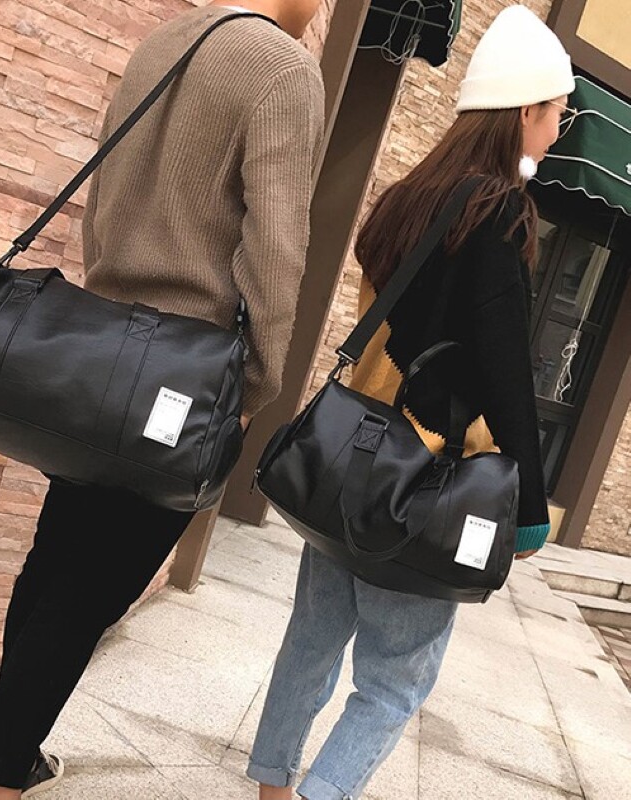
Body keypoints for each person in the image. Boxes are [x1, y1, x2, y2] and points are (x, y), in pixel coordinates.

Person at [0, 2, 325, 799]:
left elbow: (107, 199)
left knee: (57, 559)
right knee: (95, 585)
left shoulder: (165, 40)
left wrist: (110, 303)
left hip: (100, 353)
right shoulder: (285, 70)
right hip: (184, 375)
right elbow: (277, 252)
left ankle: (11, 753)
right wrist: (254, 387)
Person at [245, 6, 574, 799]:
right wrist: (530, 503)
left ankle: (271, 787)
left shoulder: (409, 196)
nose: (557, 130)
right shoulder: (498, 212)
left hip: (352, 456)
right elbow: (503, 374)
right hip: (427, 483)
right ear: (523, 110)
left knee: (311, 641)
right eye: (556, 113)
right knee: (393, 681)